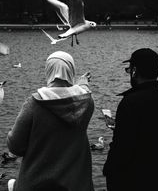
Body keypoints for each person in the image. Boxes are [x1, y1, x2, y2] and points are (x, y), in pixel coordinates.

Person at [7, 51, 94, 191]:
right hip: (76, 183)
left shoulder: (35, 103)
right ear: (71, 70)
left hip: (36, 184)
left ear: (48, 70)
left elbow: (15, 147)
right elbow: (82, 91)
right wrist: (83, 82)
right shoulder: (86, 102)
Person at [103, 48, 158, 191]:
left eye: (129, 69)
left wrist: (109, 170)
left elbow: (122, 147)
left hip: (131, 180)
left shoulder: (130, 102)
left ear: (135, 71)